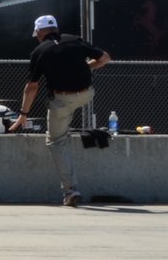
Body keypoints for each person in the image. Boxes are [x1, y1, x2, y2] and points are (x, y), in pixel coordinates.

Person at [9, 13, 111, 207]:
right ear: (55, 29)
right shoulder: (75, 40)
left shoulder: (39, 51)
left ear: (40, 32)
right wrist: (86, 68)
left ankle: (71, 190)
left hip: (62, 100)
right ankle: (65, 128)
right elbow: (105, 58)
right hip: (87, 94)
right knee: (67, 113)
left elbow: (32, 87)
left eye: (37, 35)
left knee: (55, 141)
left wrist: (23, 114)